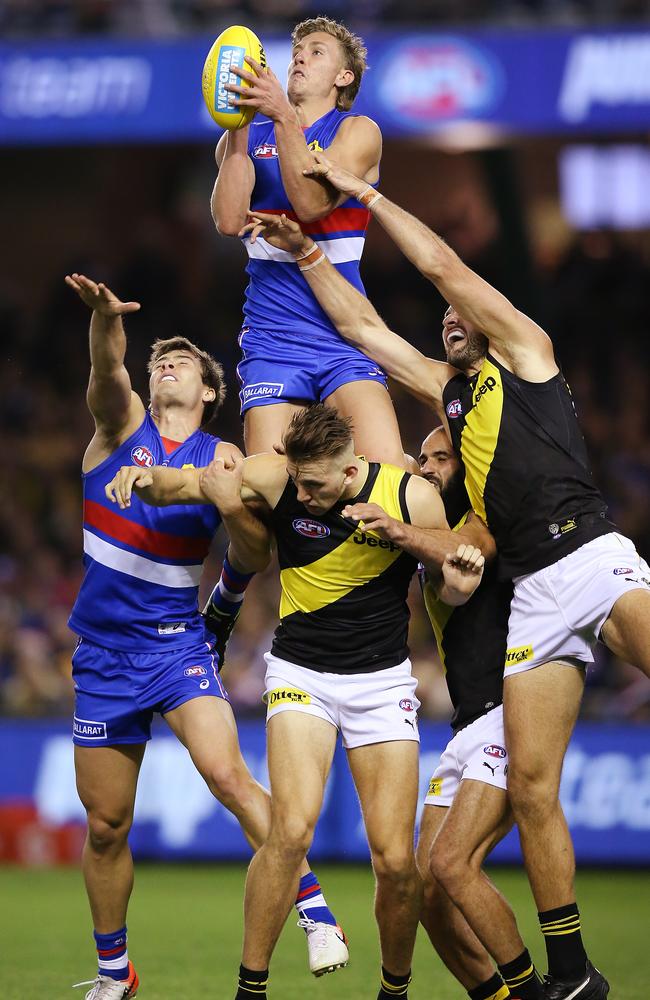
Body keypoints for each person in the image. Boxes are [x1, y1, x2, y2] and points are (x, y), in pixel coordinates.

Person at [239, 176, 650, 998]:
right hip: (532, 592)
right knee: (527, 794)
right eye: (445, 320)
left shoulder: (527, 355)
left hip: (590, 554)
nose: (450, 319)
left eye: (462, 314)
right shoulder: (450, 395)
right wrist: (310, 254)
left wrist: (366, 197)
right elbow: (361, 328)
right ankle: (567, 974)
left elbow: (441, 265)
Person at [104, 403, 488, 1000]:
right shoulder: (280, 475)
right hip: (301, 673)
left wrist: (460, 579)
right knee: (289, 832)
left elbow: (448, 587)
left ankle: (394, 989)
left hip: (382, 683)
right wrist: (142, 477)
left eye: (316, 485)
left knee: (394, 861)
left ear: (351, 466)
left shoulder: (412, 497)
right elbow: (186, 483)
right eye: (298, 482)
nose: (303, 495)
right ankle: (250, 989)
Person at [65, 275, 342, 1000]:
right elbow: (105, 371)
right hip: (100, 656)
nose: (168, 365)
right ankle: (113, 973)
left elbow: (254, 552)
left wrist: (225, 580)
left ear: (211, 391)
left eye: (183, 360)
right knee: (104, 826)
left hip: (175, 646)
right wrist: (104, 322)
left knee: (227, 776)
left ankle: (315, 911)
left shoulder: (224, 460)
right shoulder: (118, 431)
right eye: (160, 359)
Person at [211, 15, 404, 465]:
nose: (300, 57)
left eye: (317, 52)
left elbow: (312, 204)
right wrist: (238, 123)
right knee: (269, 489)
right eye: (297, 52)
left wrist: (280, 115)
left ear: (344, 76)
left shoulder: (357, 132)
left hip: (345, 334)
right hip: (271, 338)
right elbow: (226, 221)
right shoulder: (245, 138)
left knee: (385, 475)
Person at [416, 427, 544, 1000]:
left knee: (451, 862)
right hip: (466, 725)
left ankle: (534, 991)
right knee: (424, 890)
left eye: (442, 457)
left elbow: (469, 561)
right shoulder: (433, 540)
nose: (429, 465)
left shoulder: (485, 524)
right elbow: (449, 584)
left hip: (509, 714)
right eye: (423, 457)